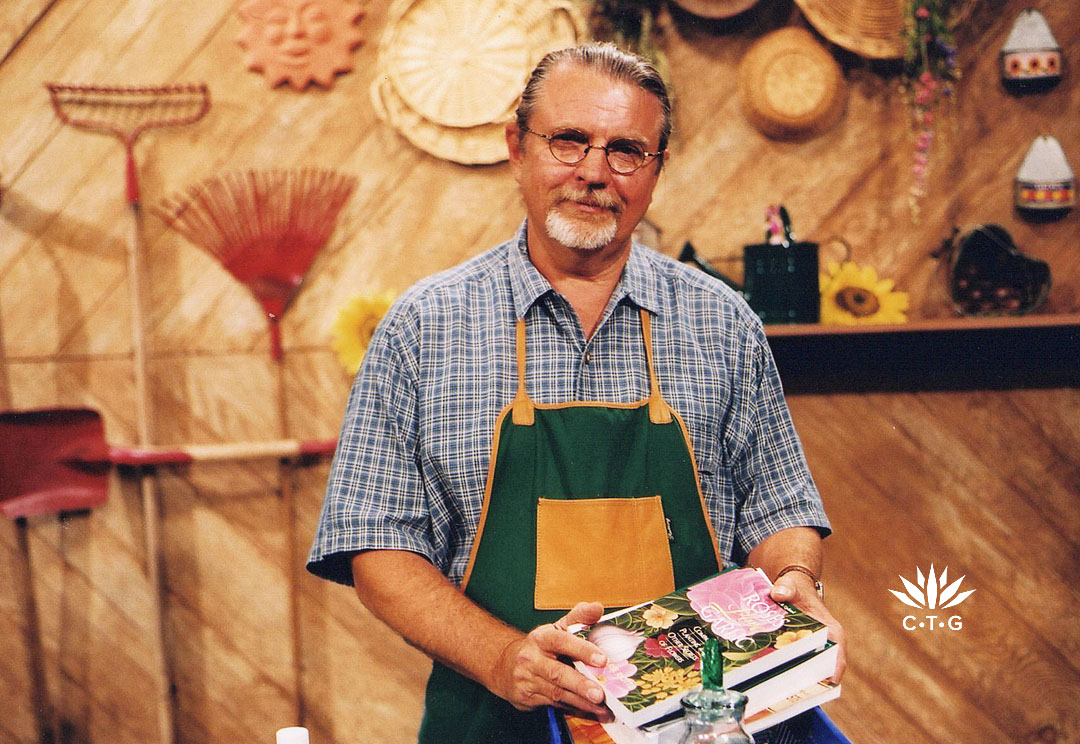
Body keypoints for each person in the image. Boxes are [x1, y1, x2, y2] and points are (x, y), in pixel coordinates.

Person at [308, 42, 845, 743]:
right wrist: (505, 659)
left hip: (703, 724)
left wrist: (796, 578)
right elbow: (376, 548)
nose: (595, 172)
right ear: (517, 147)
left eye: (627, 151)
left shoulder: (722, 322)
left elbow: (779, 509)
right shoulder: (424, 327)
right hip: (496, 719)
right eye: (569, 141)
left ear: (657, 170)